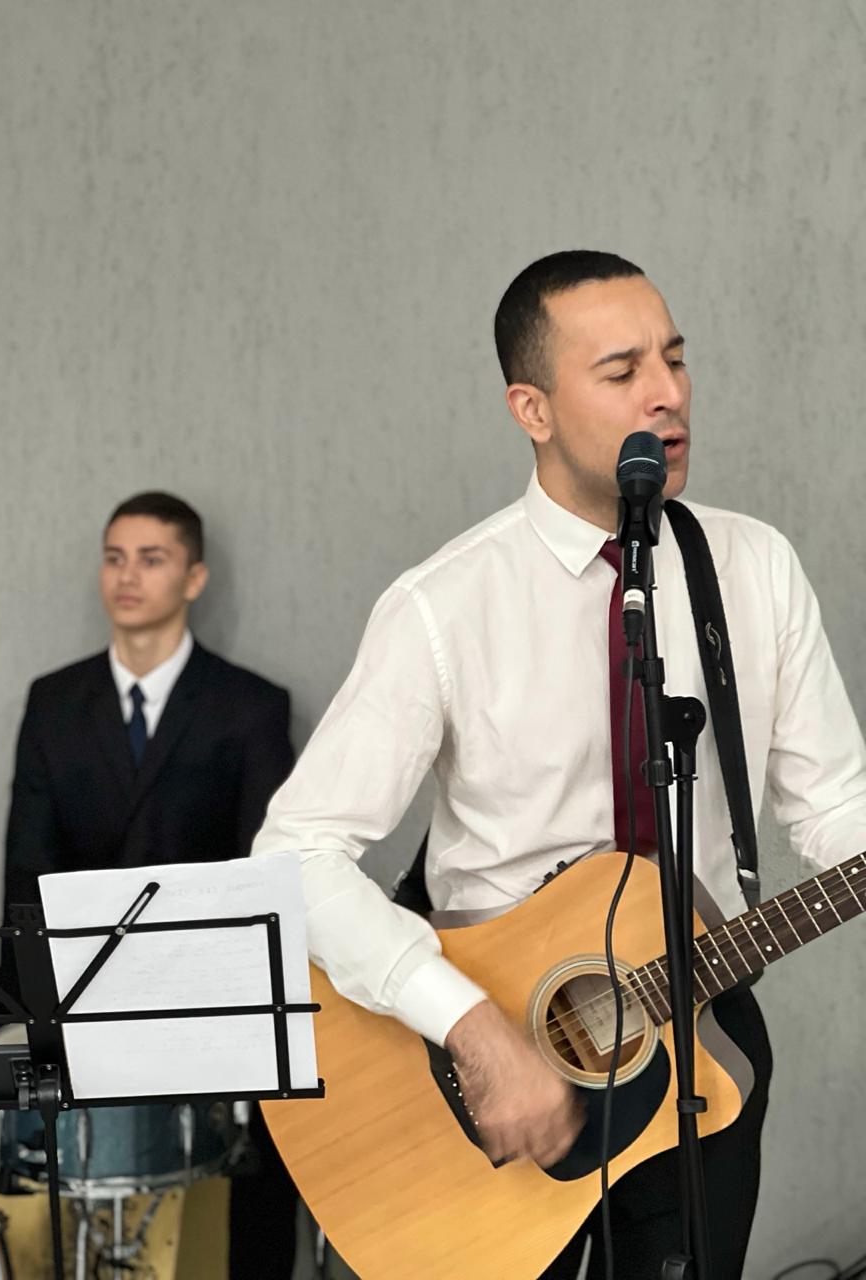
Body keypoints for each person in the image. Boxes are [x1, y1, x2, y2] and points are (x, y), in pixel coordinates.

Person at [251, 251, 866, 1278]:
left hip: (698, 1033)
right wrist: (471, 1029)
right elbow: (295, 855)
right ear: (530, 408)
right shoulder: (442, 606)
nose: (668, 393)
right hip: (476, 1052)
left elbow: (837, 804)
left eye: (675, 359)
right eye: (622, 370)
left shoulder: (755, 567)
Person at [0, 491, 299, 1280]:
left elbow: (262, 881)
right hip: (61, 973)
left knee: (284, 1119)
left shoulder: (251, 707)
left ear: (194, 578)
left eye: (152, 559)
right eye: (115, 557)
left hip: (205, 989)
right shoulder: (53, 702)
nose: (127, 576)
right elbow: (25, 882)